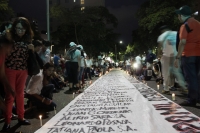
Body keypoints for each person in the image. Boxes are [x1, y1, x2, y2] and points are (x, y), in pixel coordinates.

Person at [2, 17, 34, 131]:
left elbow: (29, 56)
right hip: (10, 69)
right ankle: (7, 121)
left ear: (26, 29)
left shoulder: (28, 39)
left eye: (23, 29)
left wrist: (32, 49)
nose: (20, 31)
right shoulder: (8, 37)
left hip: (23, 70)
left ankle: (21, 117)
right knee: (10, 96)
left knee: (20, 94)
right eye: (18, 28)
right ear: (14, 28)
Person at [174, 5, 200, 106]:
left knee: (190, 78)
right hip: (199, 54)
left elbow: (183, 42)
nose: (178, 17)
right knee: (197, 77)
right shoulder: (198, 24)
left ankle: (192, 100)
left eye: (178, 15)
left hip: (189, 55)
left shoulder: (185, 25)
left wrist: (178, 57)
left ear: (182, 15)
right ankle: (198, 97)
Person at [157, 25, 187, 95]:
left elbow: (160, 46)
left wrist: (158, 54)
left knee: (165, 72)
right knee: (177, 71)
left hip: (166, 55)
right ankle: (183, 87)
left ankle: (166, 89)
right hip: (176, 54)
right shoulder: (176, 33)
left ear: (162, 30)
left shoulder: (162, 35)